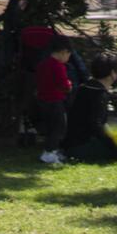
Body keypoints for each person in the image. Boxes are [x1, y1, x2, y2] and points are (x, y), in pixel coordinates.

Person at [62, 52, 117, 162]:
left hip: (70, 144)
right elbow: (96, 125)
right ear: (112, 73)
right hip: (81, 147)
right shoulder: (99, 94)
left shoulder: (84, 87)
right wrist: (116, 147)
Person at [34, 34, 74, 164]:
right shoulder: (58, 66)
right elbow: (64, 85)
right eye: (68, 54)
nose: (68, 58)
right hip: (55, 101)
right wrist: (69, 85)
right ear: (63, 52)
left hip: (42, 100)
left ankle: (51, 151)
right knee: (58, 128)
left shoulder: (42, 64)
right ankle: (50, 153)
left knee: (50, 128)